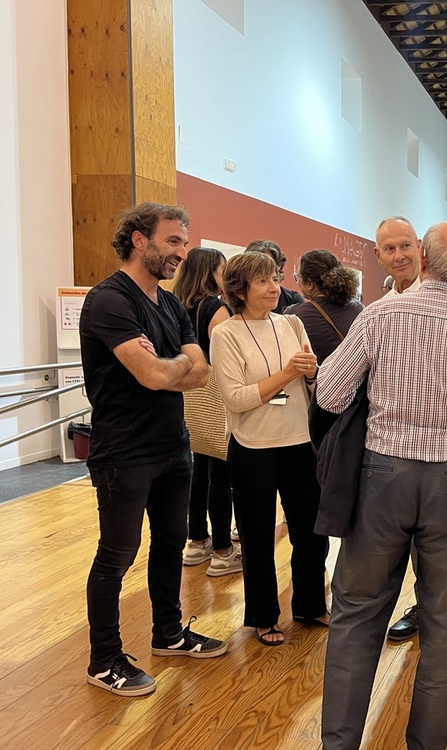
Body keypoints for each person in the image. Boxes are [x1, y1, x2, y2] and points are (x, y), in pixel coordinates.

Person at [316, 220, 447, 750]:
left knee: (356, 613)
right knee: (445, 622)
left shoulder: (379, 316)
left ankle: (338, 744)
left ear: (420, 258)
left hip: (382, 475)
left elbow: (330, 395)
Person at [80, 202, 228, 698]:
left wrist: (171, 368)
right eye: (172, 242)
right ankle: (103, 660)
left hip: (173, 445)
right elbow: (154, 374)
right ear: (139, 240)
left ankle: (168, 634)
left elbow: (200, 370)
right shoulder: (109, 301)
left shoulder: (167, 305)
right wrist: (174, 367)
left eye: (184, 243)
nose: (181, 253)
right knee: (117, 556)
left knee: (171, 544)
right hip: (125, 452)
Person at [373, 216, 447, 664]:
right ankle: (425, 609)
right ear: (379, 254)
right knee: (412, 543)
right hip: (393, 455)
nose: (398, 255)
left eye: (405, 245)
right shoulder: (379, 308)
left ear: (421, 251)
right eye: (389, 248)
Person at [211, 251, 330, 646]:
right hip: (253, 447)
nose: (274, 288)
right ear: (239, 290)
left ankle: (312, 605)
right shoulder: (225, 334)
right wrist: (288, 374)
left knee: (312, 533)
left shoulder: (292, 323)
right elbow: (236, 398)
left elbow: (314, 383)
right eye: (263, 281)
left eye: (275, 278)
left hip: (299, 441)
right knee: (258, 537)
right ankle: (264, 617)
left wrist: (312, 373)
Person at [172, 247, 242, 577]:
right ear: (211, 272)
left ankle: (196, 540)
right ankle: (222, 551)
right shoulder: (213, 308)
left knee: (198, 471)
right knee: (220, 476)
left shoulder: (176, 306)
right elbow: (228, 353)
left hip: (189, 397)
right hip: (215, 397)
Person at [284, 249, 363, 363]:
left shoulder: (293, 315)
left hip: (318, 379)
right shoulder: (358, 309)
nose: (298, 282)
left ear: (310, 284)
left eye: (298, 277)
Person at [246, 239, 304, 313]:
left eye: (271, 263)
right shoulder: (239, 299)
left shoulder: (292, 299)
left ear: (279, 266)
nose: (267, 268)